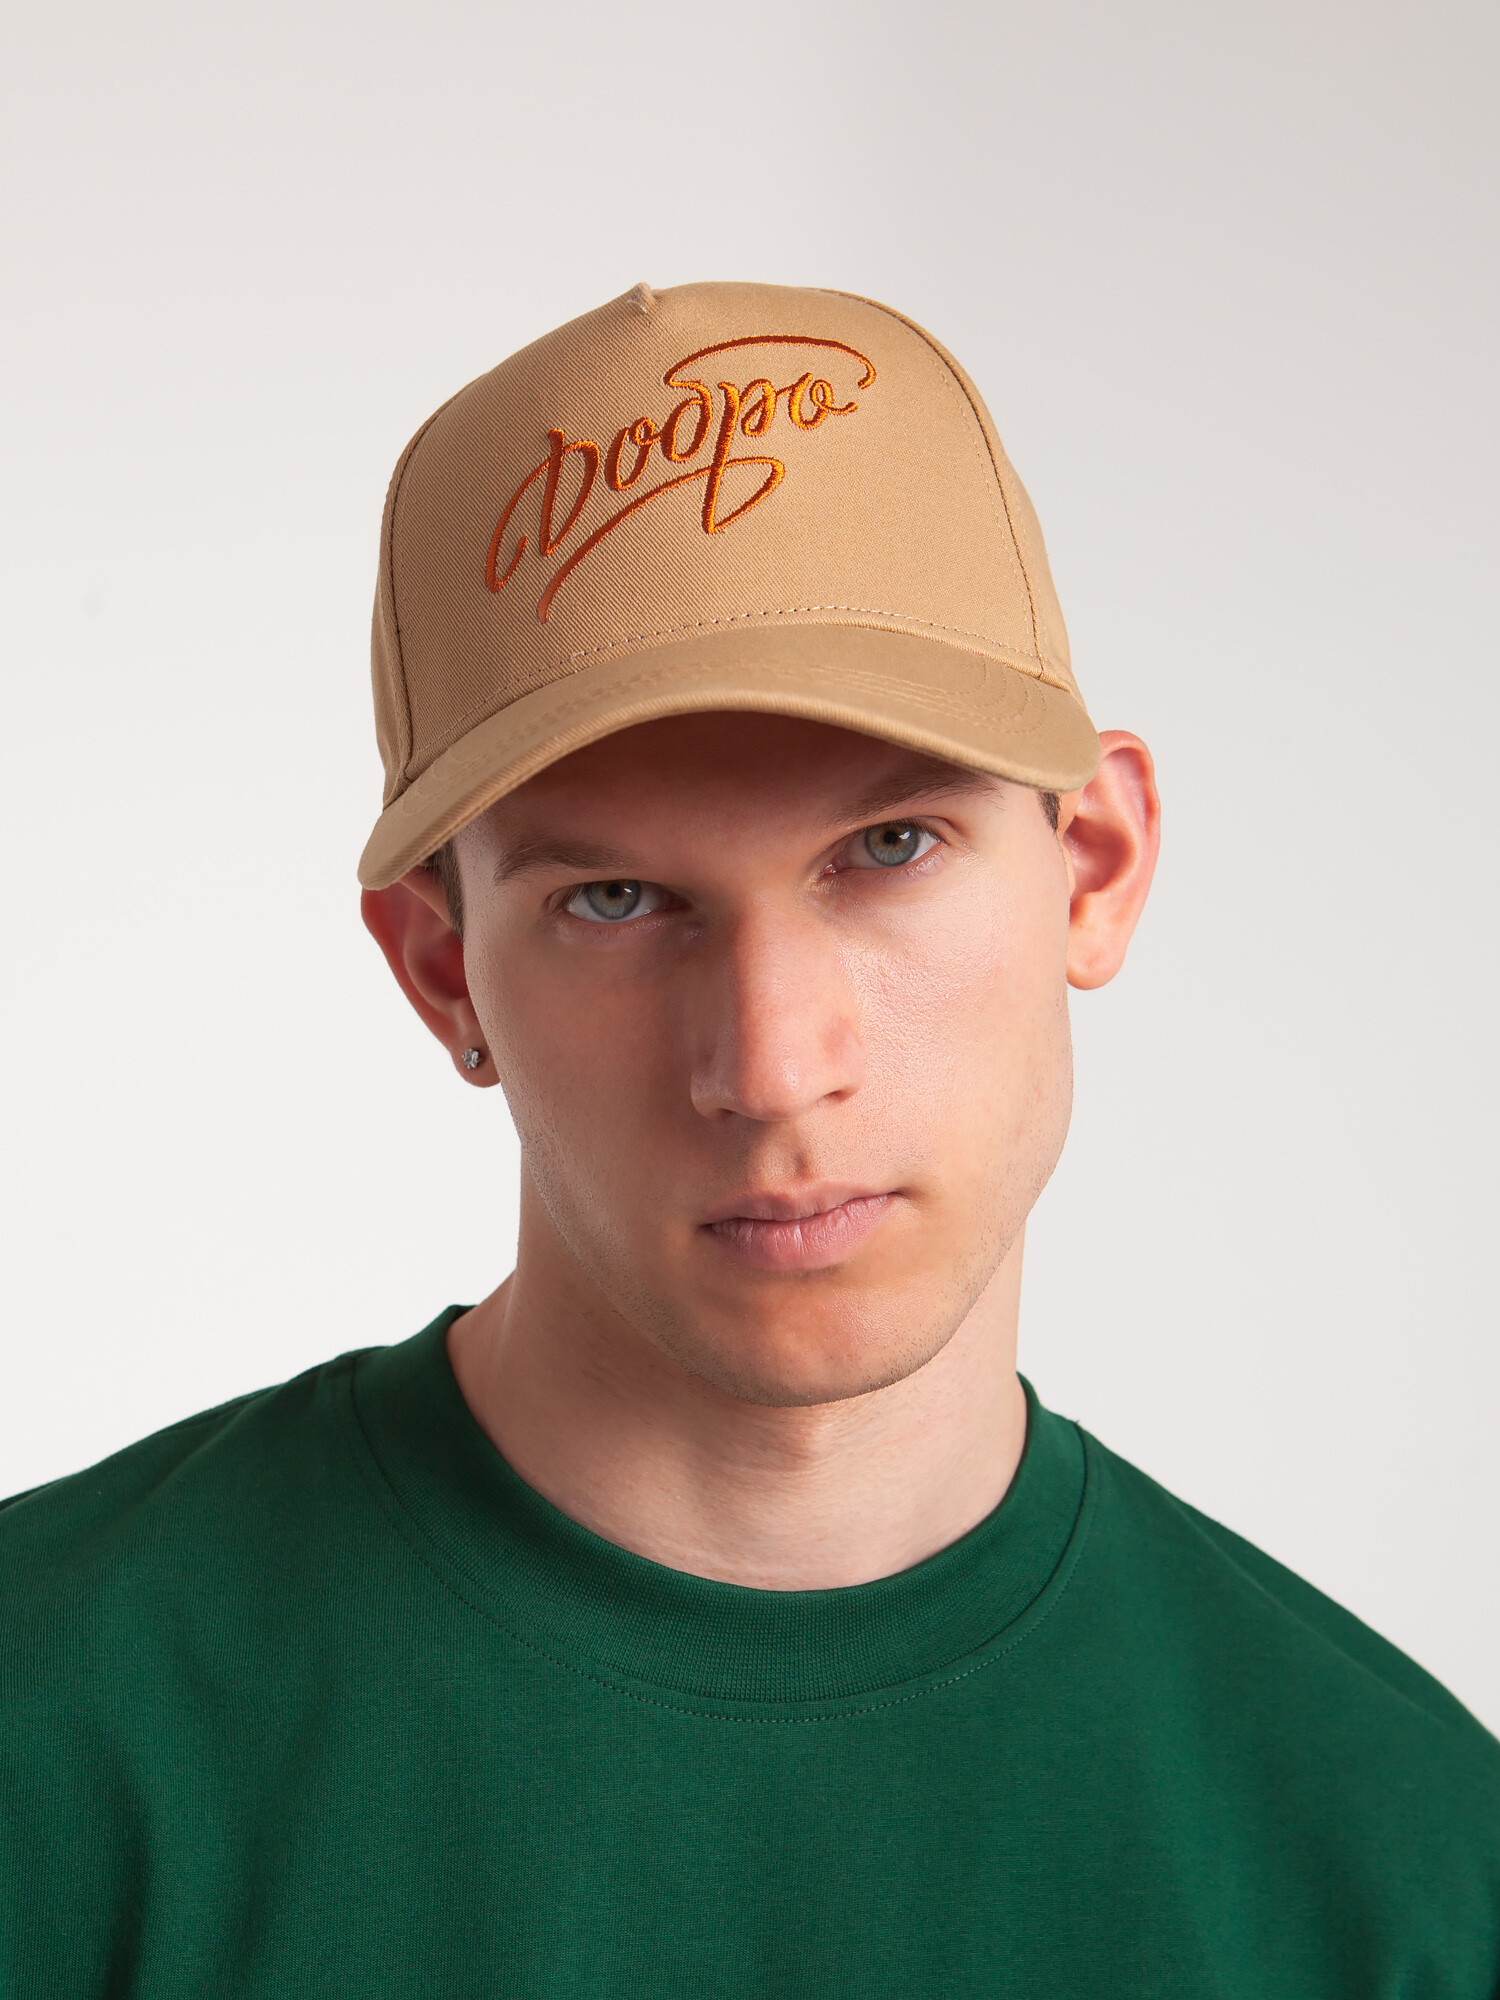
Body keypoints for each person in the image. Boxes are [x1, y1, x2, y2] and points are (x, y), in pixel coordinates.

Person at [2, 280, 1495, 1997]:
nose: (772, 1069)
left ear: (1095, 865)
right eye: (616, 898)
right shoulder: (48, 1751)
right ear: (441, 970)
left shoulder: (1407, 1868)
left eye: (891, 849)